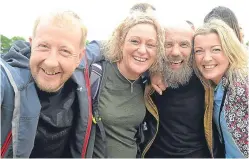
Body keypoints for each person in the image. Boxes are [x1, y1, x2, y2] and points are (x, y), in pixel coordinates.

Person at [1, 11, 102, 158]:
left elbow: (101, 47)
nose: (51, 62)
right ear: (31, 44)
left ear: (79, 57)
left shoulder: (82, 78)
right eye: (43, 46)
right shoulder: (8, 79)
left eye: (65, 51)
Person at [91, 12, 165, 158]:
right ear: (121, 42)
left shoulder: (146, 84)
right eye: (135, 41)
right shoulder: (96, 75)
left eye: (151, 44)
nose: (142, 50)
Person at [141, 21, 210, 158]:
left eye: (184, 44)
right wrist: (151, 73)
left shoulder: (208, 81)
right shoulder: (144, 77)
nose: (175, 52)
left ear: (194, 49)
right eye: (168, 44)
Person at [192, 19, 249, 158]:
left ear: (230, 50)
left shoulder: (242, 83)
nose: (206, 58)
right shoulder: (211, 84)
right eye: (199, 51)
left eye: (216, 49)